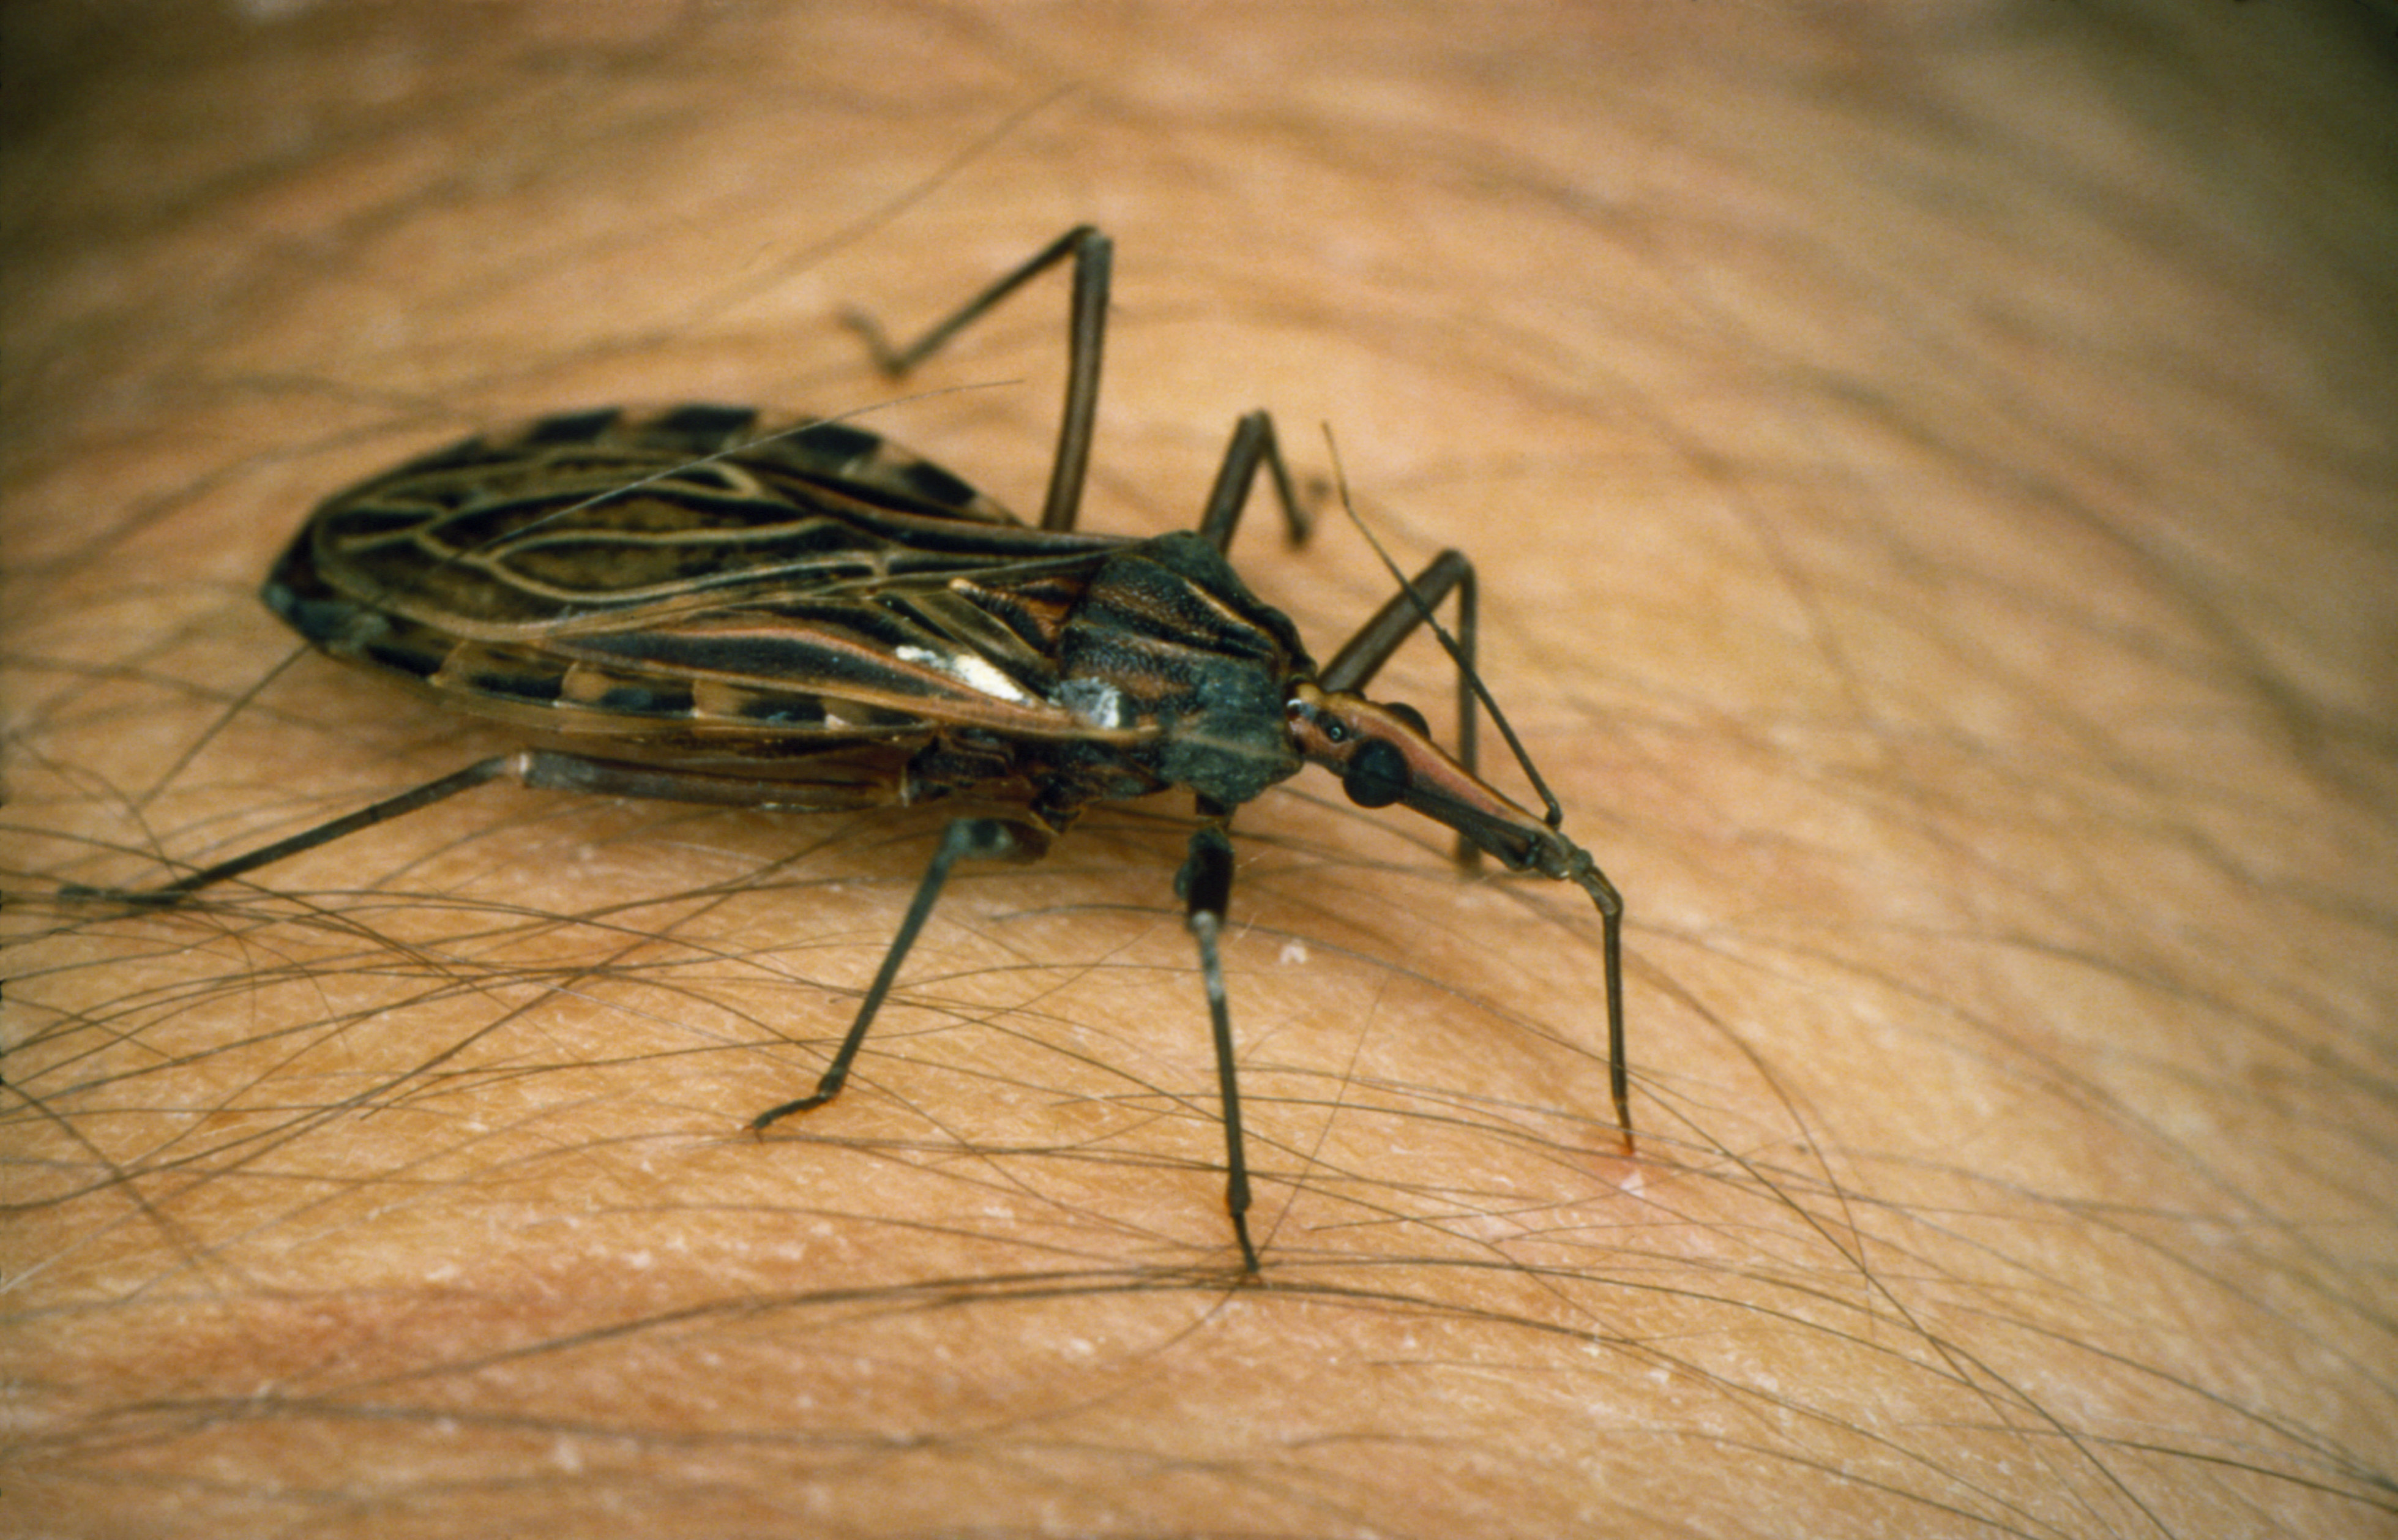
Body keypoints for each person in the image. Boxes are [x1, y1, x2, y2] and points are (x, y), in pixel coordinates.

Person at [8, 4, 2392, 1533]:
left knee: (1074, 358)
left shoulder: (1270, 671)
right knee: (538, 772)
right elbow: (1030, 867)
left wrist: (1473, 787)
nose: (1364, 751)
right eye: (1364, 748)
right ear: (1295, 738)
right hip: (872, 649)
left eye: (1369, 748)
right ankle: (190, 886)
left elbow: (1412, 635)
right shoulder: (1166, 756)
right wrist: (867, 1070)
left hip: (930, 562)